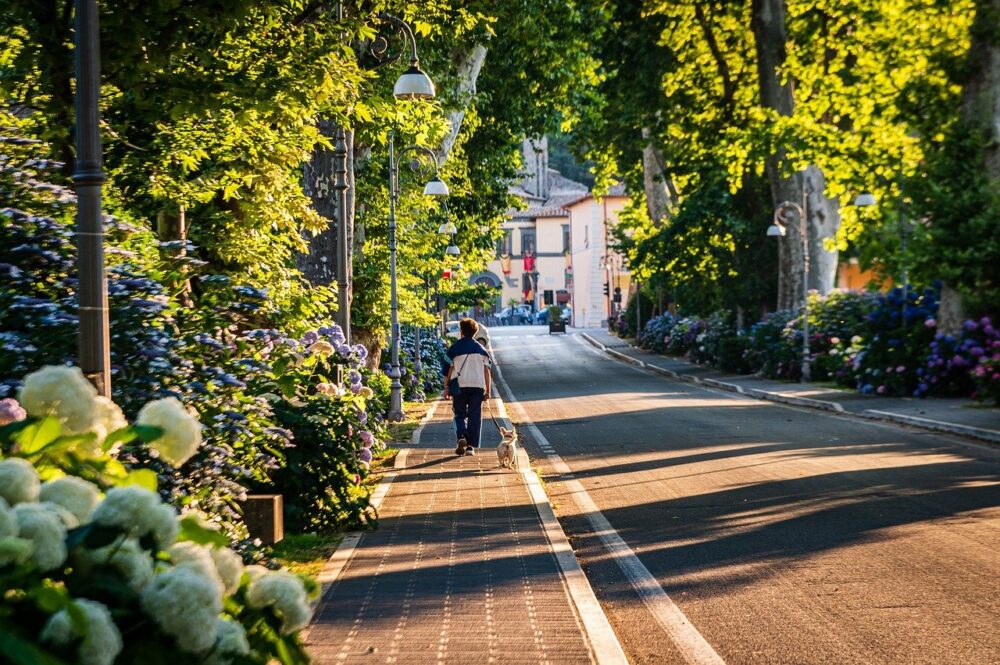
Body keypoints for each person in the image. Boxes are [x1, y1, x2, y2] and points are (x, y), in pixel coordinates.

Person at [443, 318, 491, 456]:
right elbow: (487, 371)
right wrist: (488, 391)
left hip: (459, 386)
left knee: (459, 414)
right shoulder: (482, 350)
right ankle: (470, 447)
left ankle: (462, 436)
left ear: (461, 331)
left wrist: (446, 387)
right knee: (474, 415)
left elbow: (447, 370)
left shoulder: (454, 349)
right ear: (475, 332)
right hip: (477, 386)